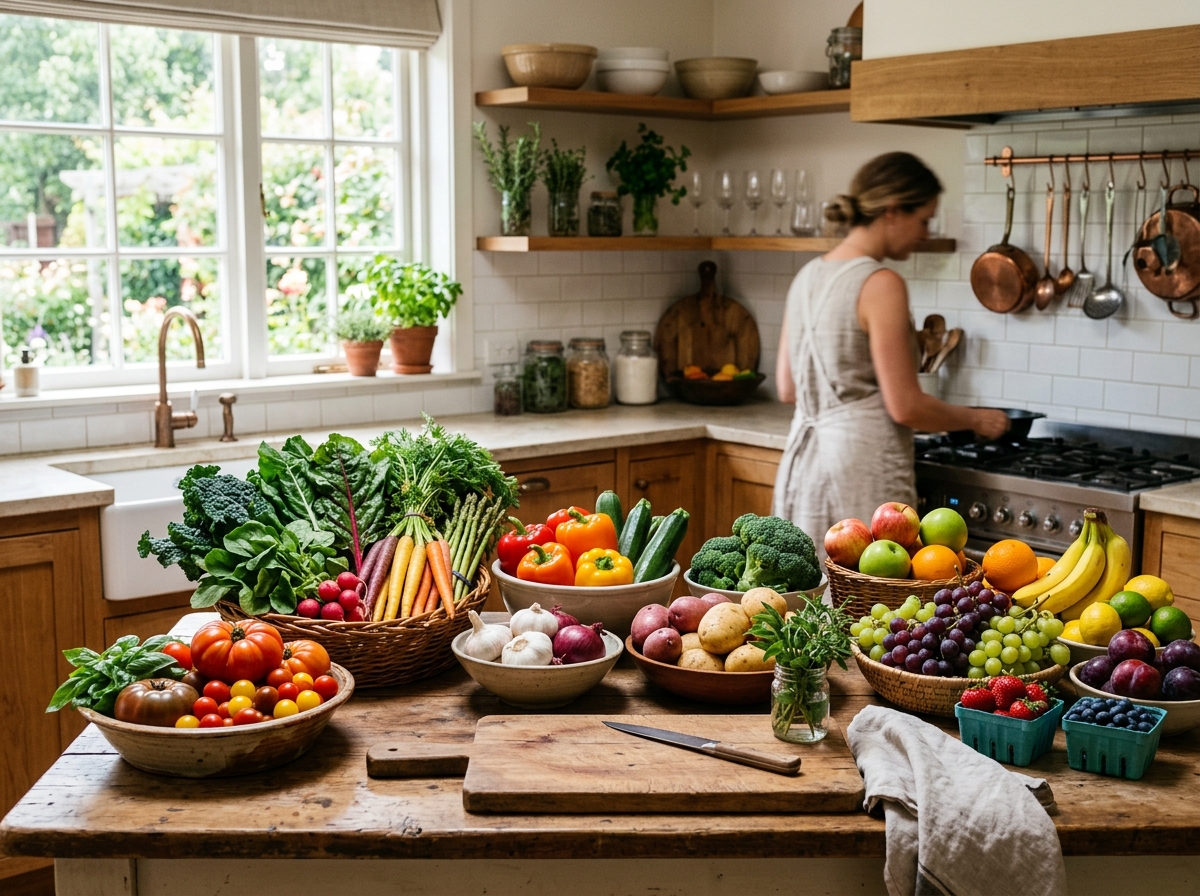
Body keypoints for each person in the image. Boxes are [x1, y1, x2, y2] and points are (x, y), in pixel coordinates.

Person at [772, 151, 1009, 556]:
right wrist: (976, 419)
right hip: (861, 464)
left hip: (805, 460)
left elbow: (787, 388)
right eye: (923, 220)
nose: (925, 233)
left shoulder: (807, 275)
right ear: (894, 211)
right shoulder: (880, 283)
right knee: (870, 598)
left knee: (808, 600)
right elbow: (906, 407)